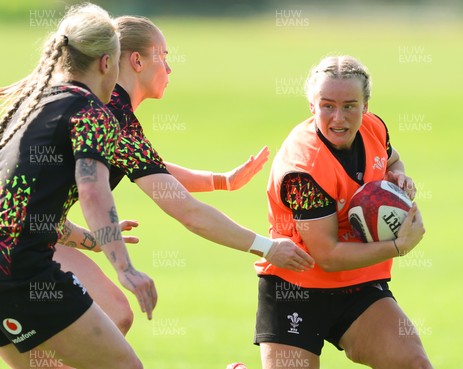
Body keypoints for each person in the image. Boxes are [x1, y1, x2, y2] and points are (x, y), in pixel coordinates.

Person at [48, 13, 315, 347]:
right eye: (164, 57)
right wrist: (268, 247)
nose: (170, 69)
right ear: (136, 61)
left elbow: (153, 168)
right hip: (19, 240)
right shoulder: (112, 114)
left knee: (110, 318)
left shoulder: (108, 110)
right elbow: (189, 213)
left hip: (30, 232)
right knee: (115, 316)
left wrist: (221, 181)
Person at [0, 4, 155, 369]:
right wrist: (125, 268)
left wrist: (91, 239)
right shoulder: (90, 112)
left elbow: (20, 205)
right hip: (21, 274)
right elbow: (93, 190)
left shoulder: (30, 104)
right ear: (106, 63)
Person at [253, 56, 433, 369]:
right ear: (312, 106)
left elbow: (391, 160)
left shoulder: (373, 127)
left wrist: (398, 177)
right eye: (327, 106)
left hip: (357, 285)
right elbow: (328, 255)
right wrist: (397, 247)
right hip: (296, 288)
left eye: (350, 105)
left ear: (366, 106)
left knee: (414, 364)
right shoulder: (303, 169)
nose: (339, 118)